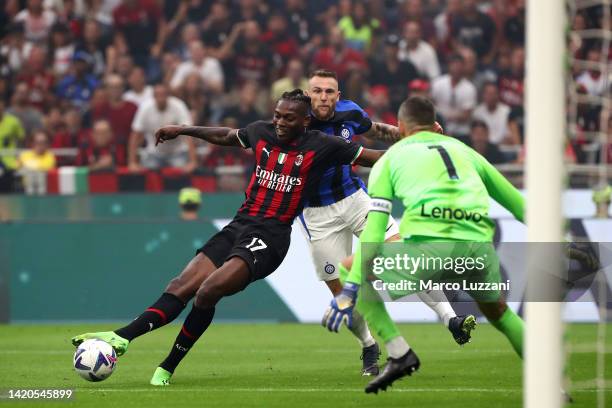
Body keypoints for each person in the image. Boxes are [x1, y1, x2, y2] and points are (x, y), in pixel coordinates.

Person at [71, 90, 384, 386]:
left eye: (289, 118)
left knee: (208, 291)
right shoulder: (261, 132)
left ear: (305, 121)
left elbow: (372, 156)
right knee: (180, 286)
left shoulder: (323, 145)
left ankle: (167, 367)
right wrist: (183, 129)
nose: (280, 122)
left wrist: (419, 151)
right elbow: (225, 135)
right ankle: (123, 337)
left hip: (271, 237)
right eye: (277, 115)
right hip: (238, 226)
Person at [322, 96, 526, 394]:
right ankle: (551, 382)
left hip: (429, 255)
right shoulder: (466, 151)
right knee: (502, 314)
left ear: (401, 126)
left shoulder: (389, 160)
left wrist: (350, 289)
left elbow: (375, 230)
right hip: (479, 253)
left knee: (348, 268)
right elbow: (520, 206)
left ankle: (399, 352)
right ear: (436, 126)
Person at [302, 70, 474, 376]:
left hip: (355, 198)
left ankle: (452, 319)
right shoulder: (296, 121)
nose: (324, 97)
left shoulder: (350, 111)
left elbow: (376, 130)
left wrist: (417, 136)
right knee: (343, 293)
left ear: (338, 96)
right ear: (308, 94)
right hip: (316, 214)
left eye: (330, 91)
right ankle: (369, 345)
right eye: (317, 91)